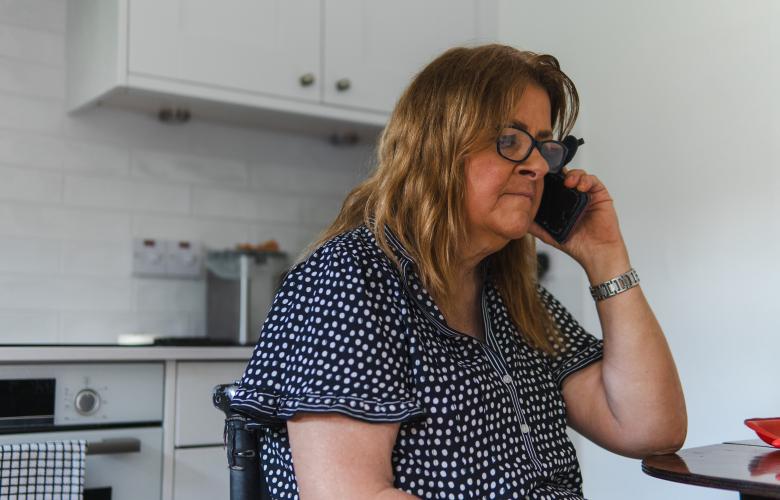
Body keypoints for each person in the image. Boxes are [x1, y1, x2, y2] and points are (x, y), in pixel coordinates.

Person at [230, 44, 687, 499]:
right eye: (510, 141)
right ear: (436, 148)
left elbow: (651, 429)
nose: (535, 166)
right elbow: (350, 494)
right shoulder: (351, 278)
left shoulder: (512, 297)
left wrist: (606, 258)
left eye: (545, 147)